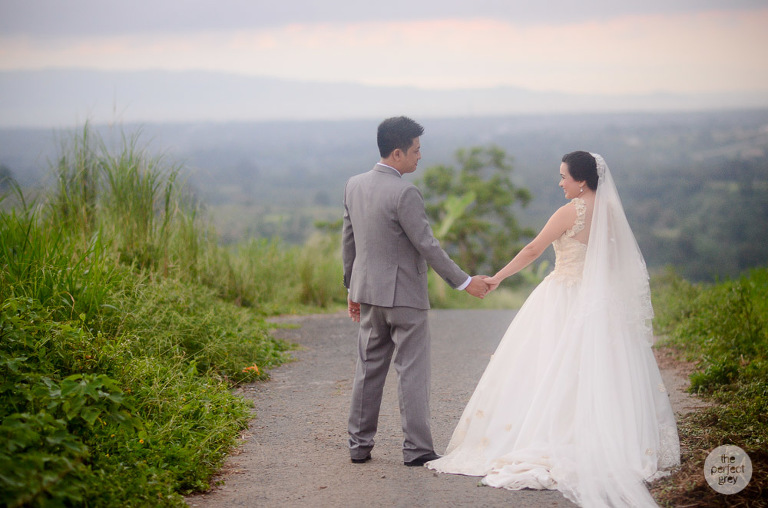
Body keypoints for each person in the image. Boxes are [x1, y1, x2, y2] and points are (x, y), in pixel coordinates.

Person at [426, 151, 680, 507]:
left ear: (582, 180)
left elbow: (533, 249)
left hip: (562, 297)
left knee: (545, 365)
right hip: (599, 302)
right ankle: (604, 438)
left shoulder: (570, 212)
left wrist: (496, 278)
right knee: (595, 371)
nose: (560, 183)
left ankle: (548, 435)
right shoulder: (609, 212)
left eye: (563, 177)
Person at [342, 116, 490, 467]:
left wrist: (352, 287)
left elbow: (349, 241)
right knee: (412, 370)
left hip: (368, 293)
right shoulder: (405, 192)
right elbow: (428, 245)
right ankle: (417, 449)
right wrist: (465, 281)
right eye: (416, 151)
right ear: (397, 153)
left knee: (368, 369)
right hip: (405, 297)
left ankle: (358, 446)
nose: (419, 157)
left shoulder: (353, 185)